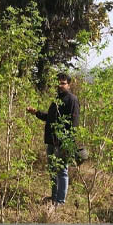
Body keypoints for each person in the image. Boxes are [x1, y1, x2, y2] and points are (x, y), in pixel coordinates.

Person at [27, 72, 80, 209]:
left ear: (69, 84)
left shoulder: (72, 100)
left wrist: (67, 143)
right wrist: (36, 112)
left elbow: (74, 124)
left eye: (63, 83)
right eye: (59, 82)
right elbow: (50, 118)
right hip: (51, 141)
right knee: (52, 170)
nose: (60, 85)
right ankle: (54, 197)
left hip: (62, 143)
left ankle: (60, 202)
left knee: (62, 171)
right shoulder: (57, 99)